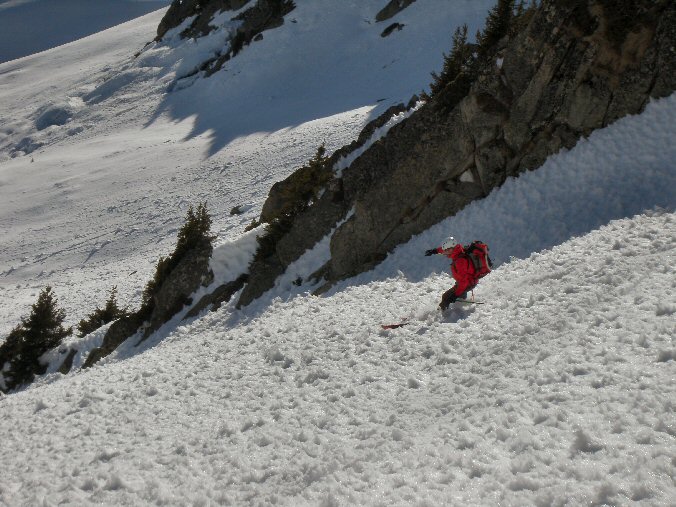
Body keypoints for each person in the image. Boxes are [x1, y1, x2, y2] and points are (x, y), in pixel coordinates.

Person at [425, 236, 492, 310]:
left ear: (451, 249)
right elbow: (444, 249)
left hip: (468, 283)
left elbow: (464, 282)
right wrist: (434, 251)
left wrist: (455, 295)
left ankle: (446, 313)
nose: (444, 253)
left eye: (446, 251)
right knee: (455, 294)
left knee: (445, 297)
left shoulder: (460, 261)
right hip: (469, 281)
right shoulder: (459, 250)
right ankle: (460, 302)